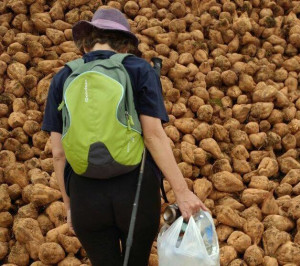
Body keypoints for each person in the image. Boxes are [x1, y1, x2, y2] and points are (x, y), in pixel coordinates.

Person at [42, 7, 207, 266]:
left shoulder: (63, 77)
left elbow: (58, 153)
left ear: (88, 42)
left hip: (85, 195)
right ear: (125, 44)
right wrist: (182, 192)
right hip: (135, 191)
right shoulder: (139, 69)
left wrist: (69, 206)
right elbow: (153, 136)